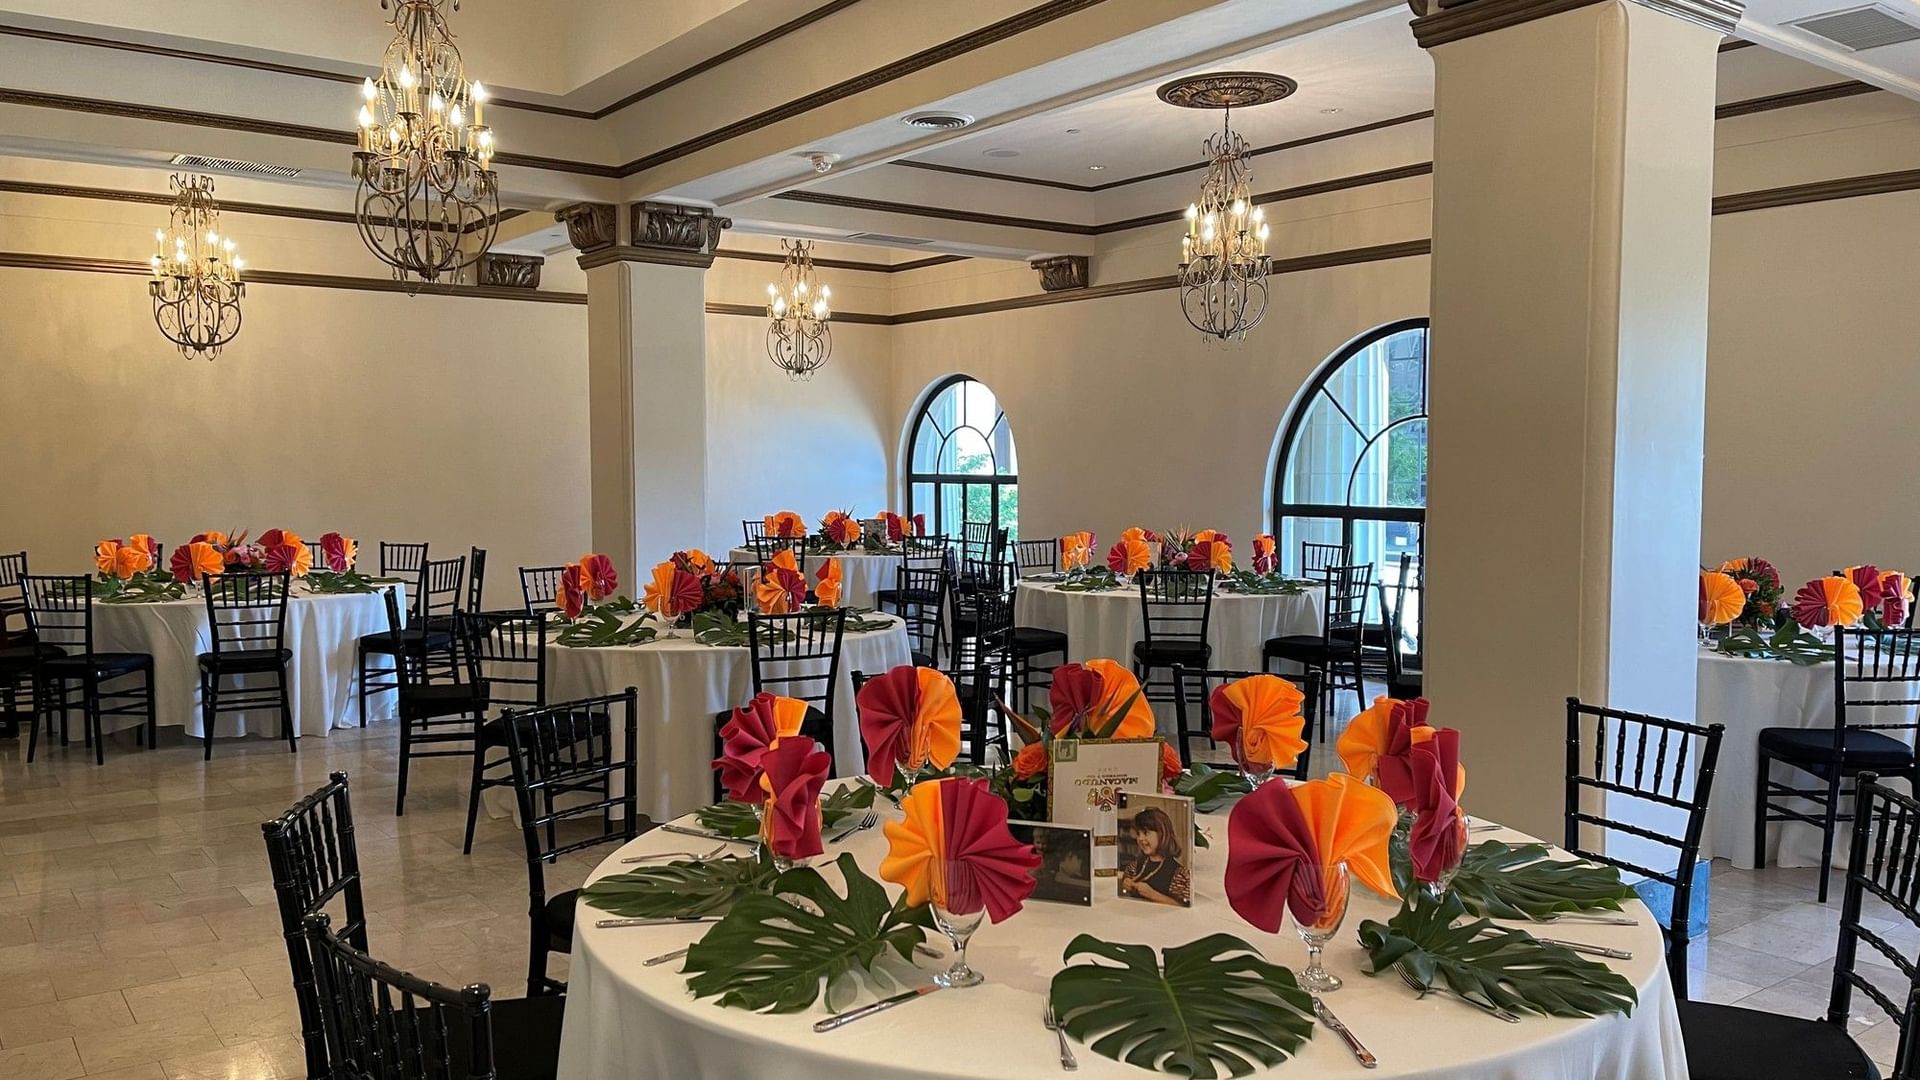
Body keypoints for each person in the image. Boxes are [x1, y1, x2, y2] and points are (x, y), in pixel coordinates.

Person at [1118, 805, 1190, 906]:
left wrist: (1153, 895)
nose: (1140, 839)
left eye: (1146, 833)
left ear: (1162, 834)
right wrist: (1126, 884)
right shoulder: (1132, 868)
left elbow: (1183, 907)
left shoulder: (1180, 874)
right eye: (1138, 834)